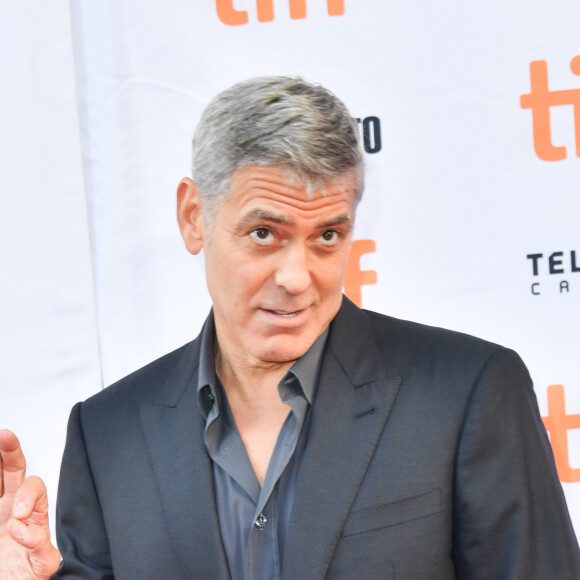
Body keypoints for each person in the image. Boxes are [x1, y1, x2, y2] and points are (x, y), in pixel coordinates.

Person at [1, 76, 579, 579]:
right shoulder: (107, 435)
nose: (298, 279)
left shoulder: (468, 392)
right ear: (193, 217)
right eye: (264, 234)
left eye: (327, 235)